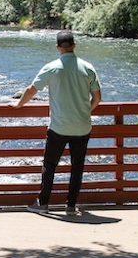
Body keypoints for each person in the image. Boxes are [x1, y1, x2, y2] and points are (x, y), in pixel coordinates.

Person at [8, 30, 102, 215]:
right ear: (74, 45)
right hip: (82, 126)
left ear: (57, 47)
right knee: (77, 167)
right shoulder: (87, 68)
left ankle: (42, 203)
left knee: (50, 165)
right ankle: (71, 206)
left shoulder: (52, 67)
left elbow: (31, 89)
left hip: (58, 126)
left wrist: (19, 104)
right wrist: (84, 112)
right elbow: (97, 98)